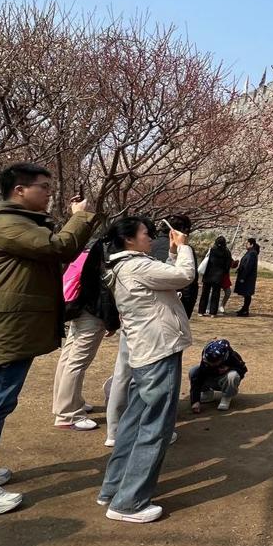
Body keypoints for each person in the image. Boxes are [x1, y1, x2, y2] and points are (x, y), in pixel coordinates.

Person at [0, 163, 95, 518]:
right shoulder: (7, 223)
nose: (49, 194)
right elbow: (59, 248)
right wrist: (80, 217)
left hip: (8, 325)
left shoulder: (12, 222)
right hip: (6, 327)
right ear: (20, 191)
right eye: (43, 187)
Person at [97, 216, 195, 523]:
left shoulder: (126, 265)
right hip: (159, 352)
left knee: (134, 422)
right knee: (155, 427)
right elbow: (184, 276)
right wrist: (185, 248)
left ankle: (113, 489)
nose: (149, 238)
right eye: (144, 234)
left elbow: (166, 274)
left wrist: (175, 252)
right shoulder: (136, 266)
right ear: (129, 239)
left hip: (145, 352)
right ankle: (129, 502)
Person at [51, 238, 115, 431]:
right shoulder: (105, 261)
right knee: (77, 362)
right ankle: (68, 414)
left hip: (77, 311)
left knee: (68, 358)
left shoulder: (85, 254)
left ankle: (68, 402)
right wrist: (111, 321)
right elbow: (105, 295)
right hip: (92, 316)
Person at [150, 214, 198, 319]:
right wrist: (186, 311)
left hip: (149, 304)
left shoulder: (148, 245)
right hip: (174, 302)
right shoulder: (184, 250)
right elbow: (190, 282)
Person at [189, 339, 248, 412]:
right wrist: (195, 401)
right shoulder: (206, 357)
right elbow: (198, 377)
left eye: (214, 363)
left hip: (225, 381)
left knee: (233, 375)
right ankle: (207, 394)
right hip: (210, 379)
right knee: (194, 371)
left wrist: (229, 369)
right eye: (208, 361)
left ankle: (226, 398)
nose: (210, 364)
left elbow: (243, 370)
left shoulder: (233, 356)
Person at [198, 236, 233, 317]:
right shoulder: (227, 252)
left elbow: (205, 260)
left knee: (205, 293)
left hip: (208, 275)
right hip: (218, 276)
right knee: (216, 294)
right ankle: (213, 312)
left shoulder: (211, 250)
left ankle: (201, 311)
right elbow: (227, 266)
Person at [233, 238, 260, 316]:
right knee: (246, 294)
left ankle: (245, 310)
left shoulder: (252, 254)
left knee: (247, 294)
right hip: (246, 276)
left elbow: (248, 266)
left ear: (251, 244)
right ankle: (244, 308)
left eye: (247, 243)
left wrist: (243, 277)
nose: (246, 245)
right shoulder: (250, 252)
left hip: (248, 278)